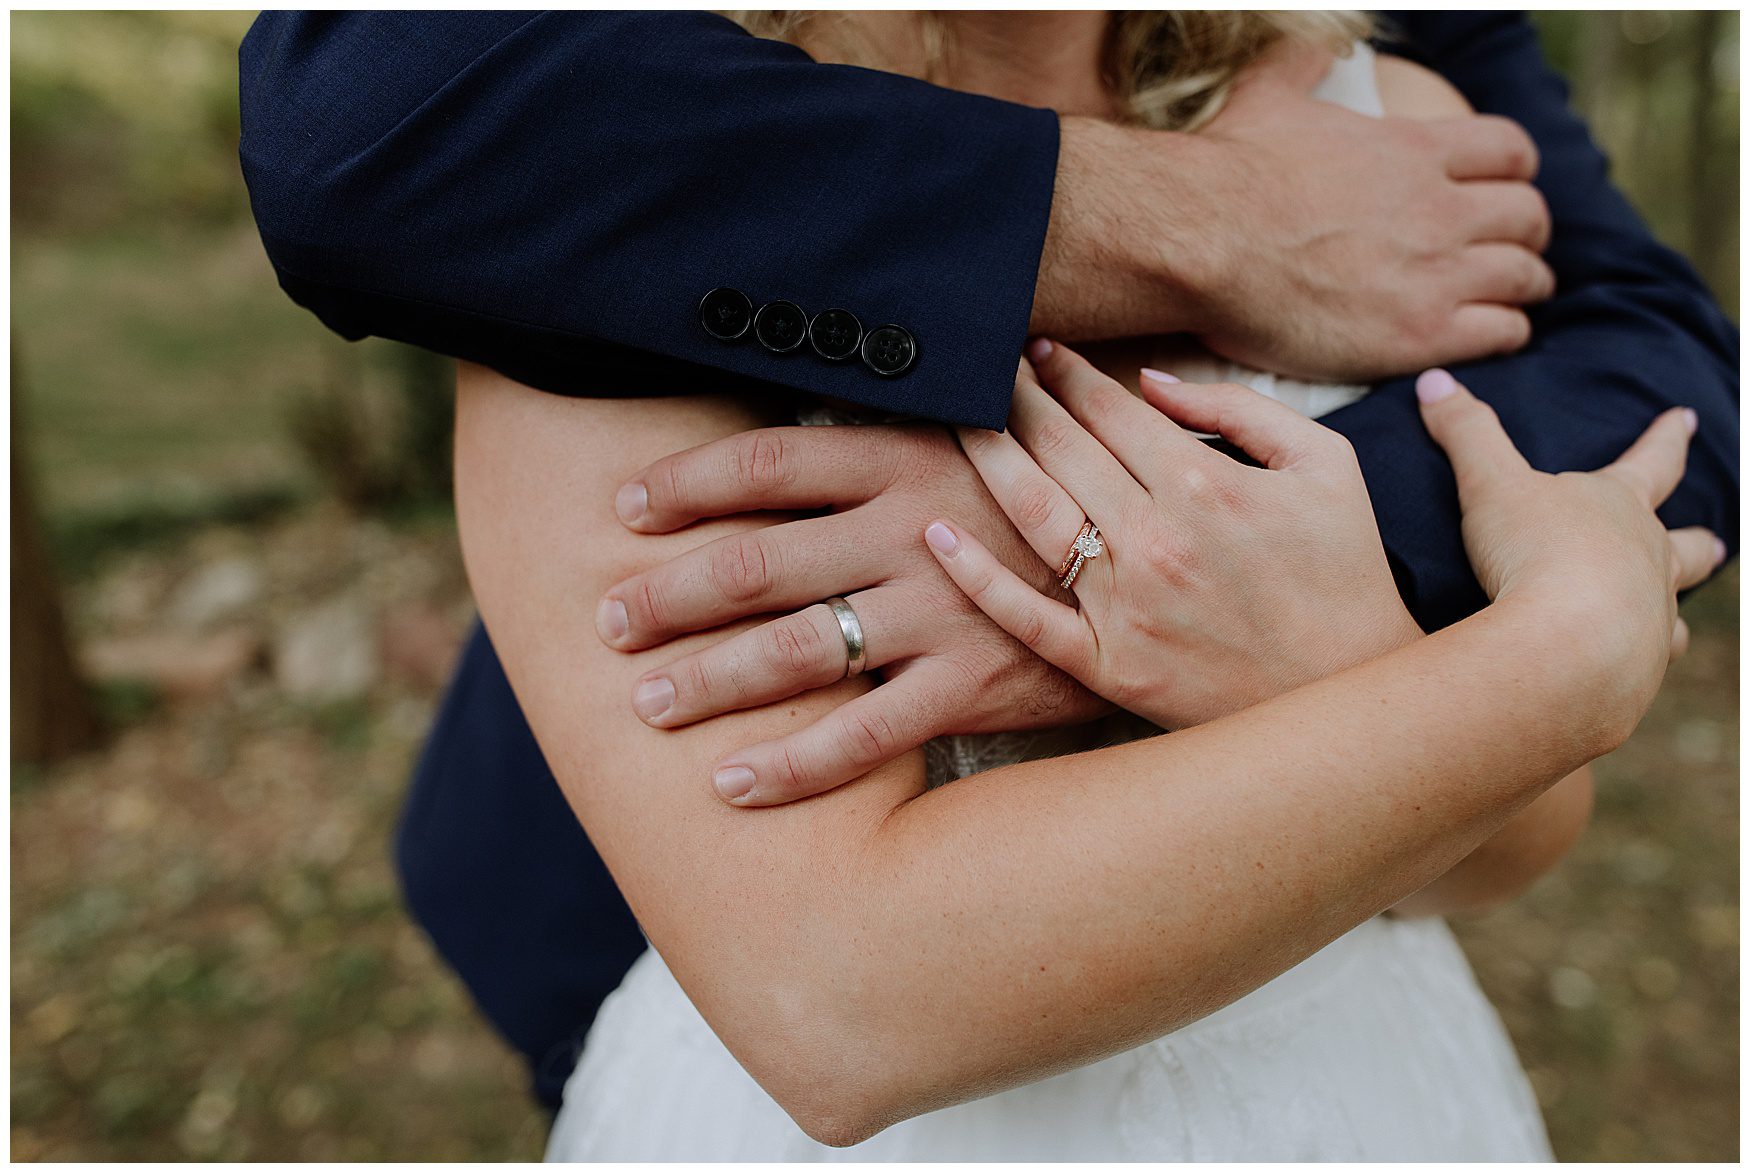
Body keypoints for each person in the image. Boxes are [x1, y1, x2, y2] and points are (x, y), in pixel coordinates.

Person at [237, 9, 1739, 1118]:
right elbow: (840, 1004)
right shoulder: (599, 190)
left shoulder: (1385, 112)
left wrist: (1298, 612)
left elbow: (1516, 840)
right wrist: (1543, 666)